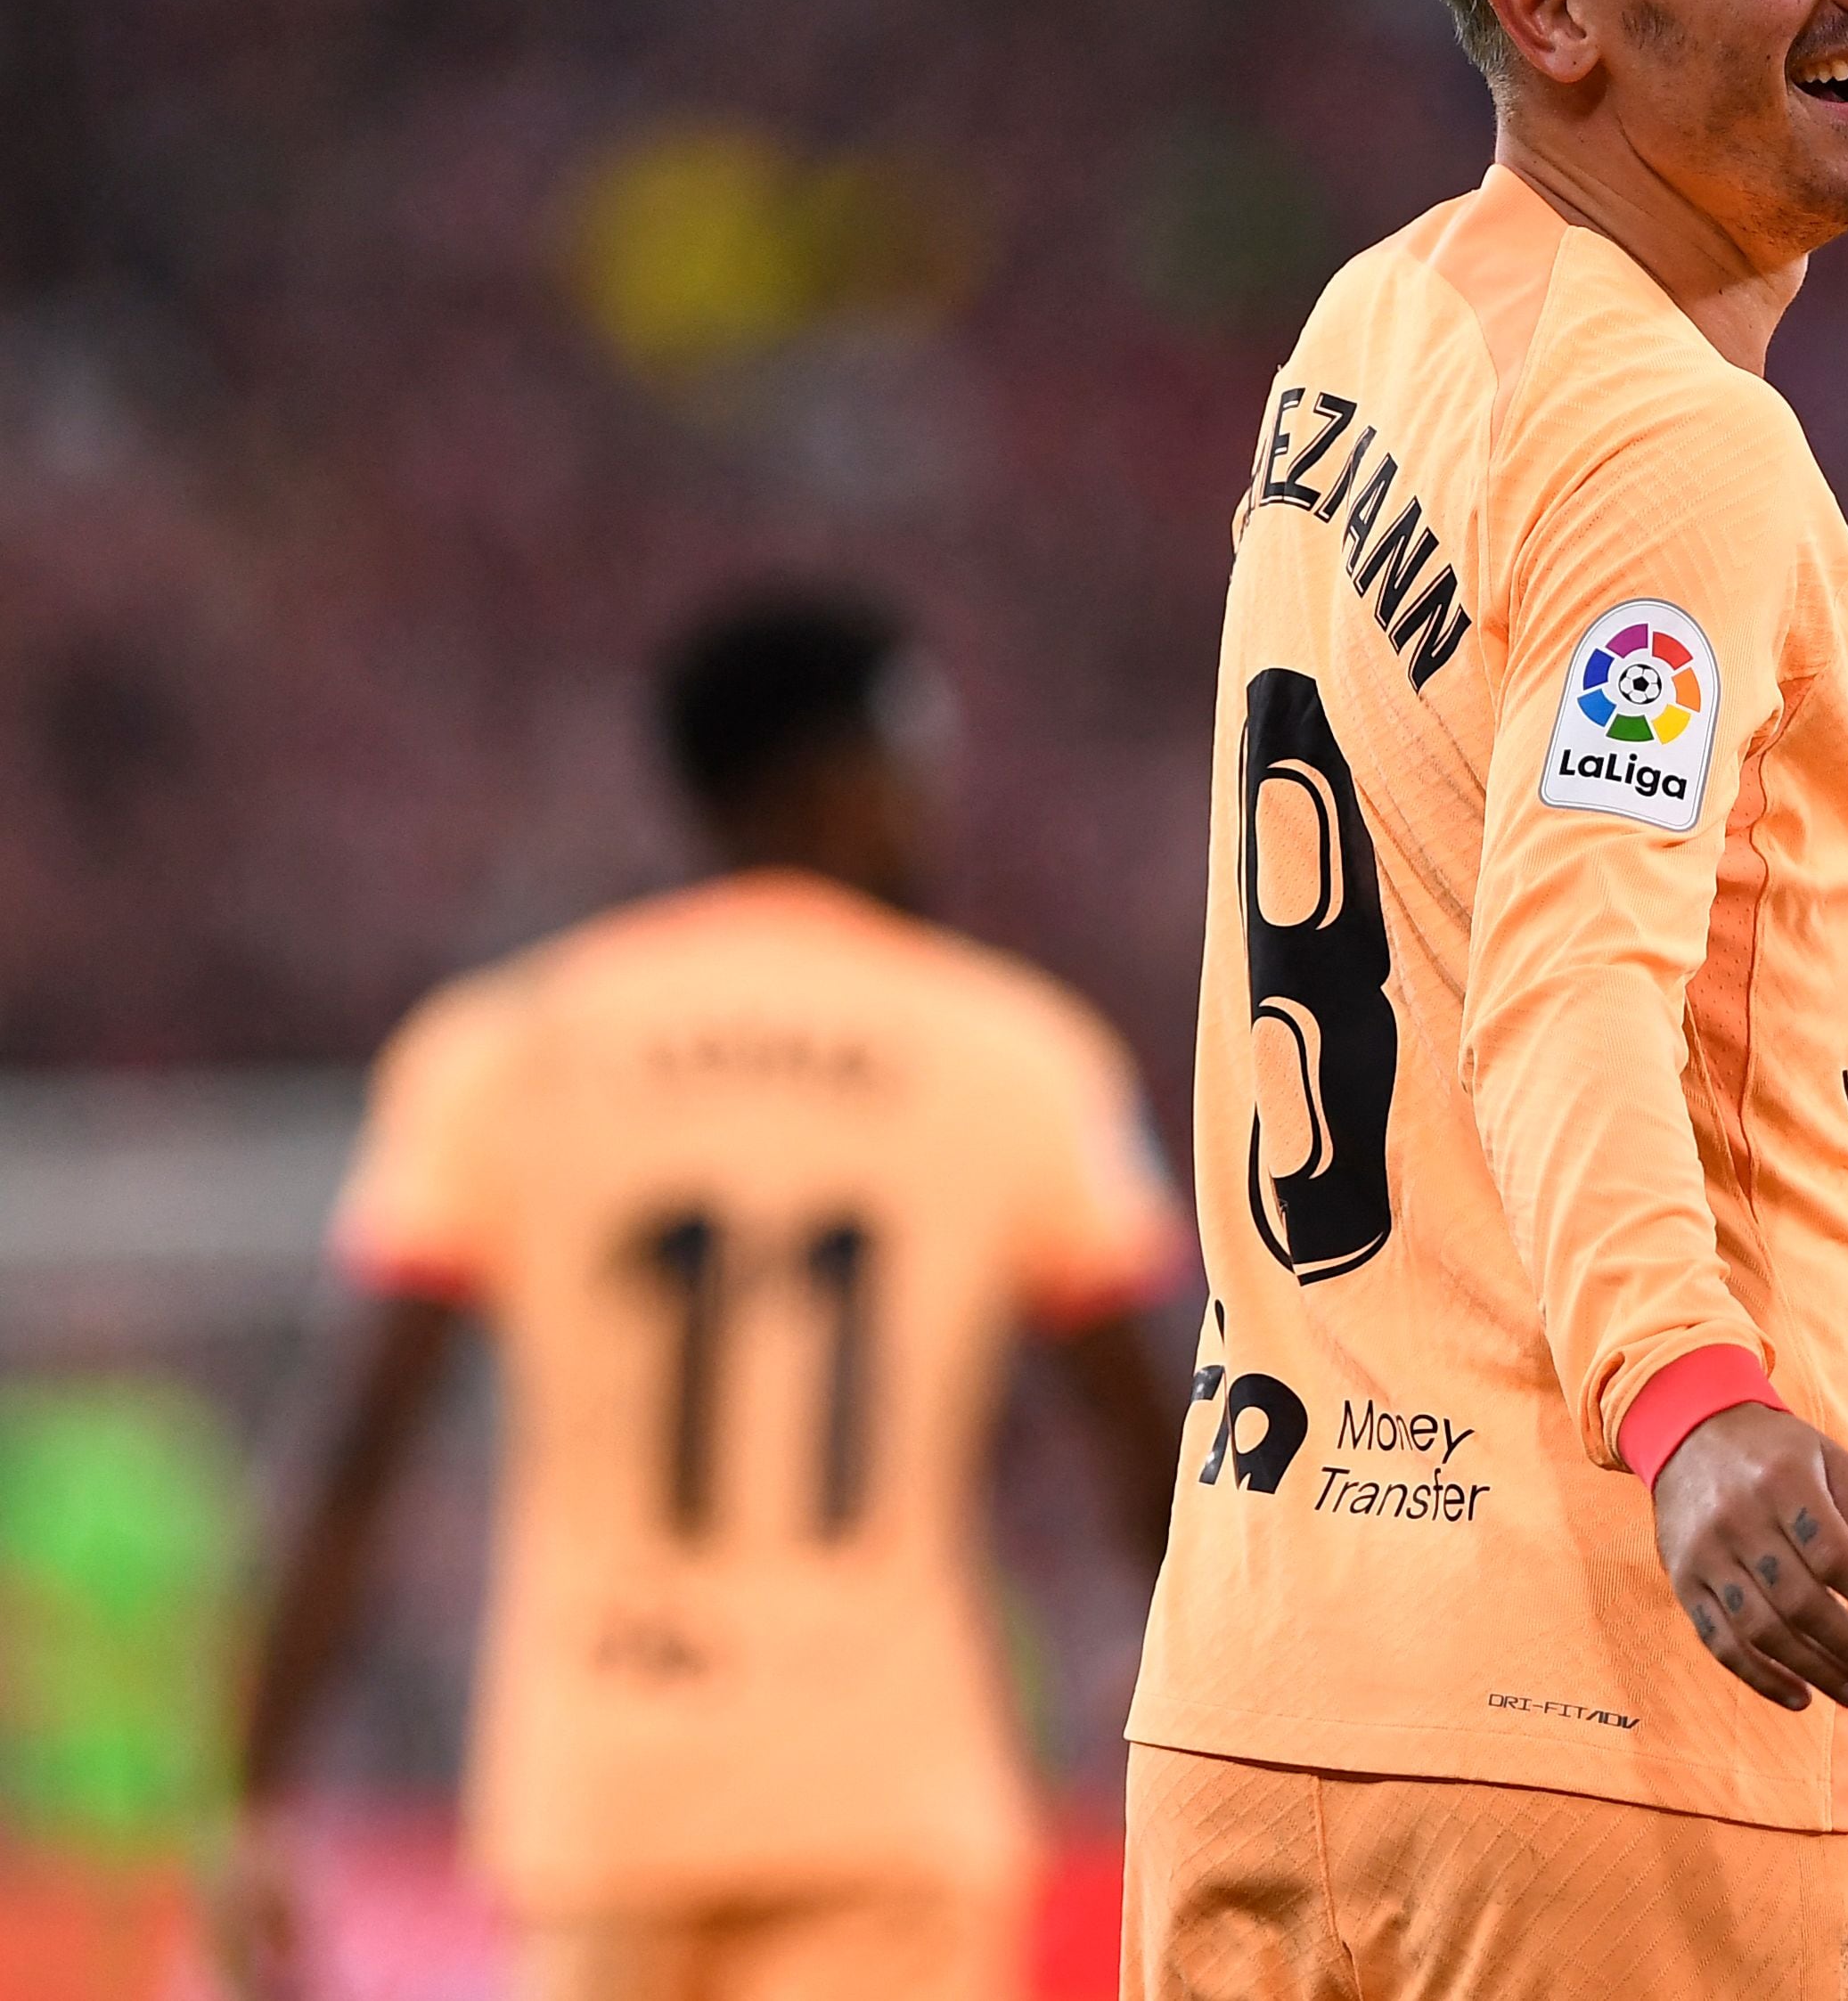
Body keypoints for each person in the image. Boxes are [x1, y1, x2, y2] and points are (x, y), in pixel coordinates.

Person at [1119, 0, 1848, 2001]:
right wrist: (1704, 1404)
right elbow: (1573, 979)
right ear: (1554, 8)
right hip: (1609, 1722)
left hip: (1269, 1700)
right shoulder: (1667, 442)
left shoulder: (1371, 326)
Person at [227, 590, 1188, 2001]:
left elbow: (361, 1444)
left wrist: (255, 1789)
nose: (929, 810)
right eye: (912, 767)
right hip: (889, 1789)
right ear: (840, 775)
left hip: (604, 1792)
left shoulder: (505, 1046)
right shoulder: (1014, 1053)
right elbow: (1145, 1451)